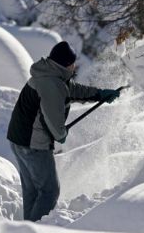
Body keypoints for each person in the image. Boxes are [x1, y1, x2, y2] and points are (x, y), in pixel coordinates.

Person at [7, 41, 121, 221]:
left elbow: (72, 90)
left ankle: (27, 228)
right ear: (67, 64)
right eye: (73, 63)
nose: (75, 66)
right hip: (32, 144)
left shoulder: (49, 74)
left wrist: (100, 94)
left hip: (18, 139)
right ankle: (36, 231)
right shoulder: (51, 84)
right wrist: (60, 134)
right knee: (49, 191)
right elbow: (53, 116)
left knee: (32, 190)